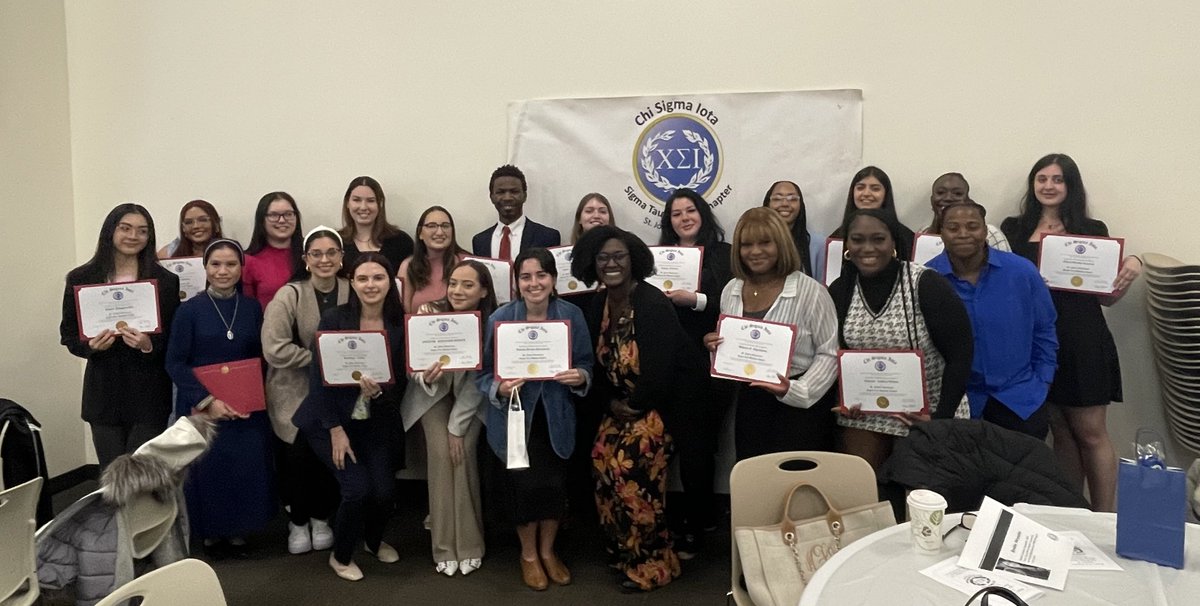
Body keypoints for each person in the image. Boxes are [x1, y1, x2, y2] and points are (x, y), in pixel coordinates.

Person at [1000, 154, 1143, 511]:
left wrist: (1132, 267)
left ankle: (1105, 517)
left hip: (1082, 339)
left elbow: (1107, 299)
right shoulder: (1012, 229)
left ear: (1071, 186)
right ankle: (1071, 513)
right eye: (1042, 178)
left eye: (1058, 179)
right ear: (1033, 185)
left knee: (1092, 435)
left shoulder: (1093, 231)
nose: (1049, 186)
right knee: (1060, 432)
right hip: (1034, 343)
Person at [572, 226, 702, 592]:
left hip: (660, 408)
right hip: (620, 406)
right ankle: (624, 553)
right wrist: (612, 403)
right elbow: (598, 367)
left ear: (634, 260)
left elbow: (661, 372)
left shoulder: (652, 304)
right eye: (603, 258)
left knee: (630, 474)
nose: (611, 263)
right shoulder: (599, 303)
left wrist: (635, 405)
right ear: (592, 263)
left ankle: (654, 566)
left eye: (619, 256)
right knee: (600, 461)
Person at [476, 247, 592, 592]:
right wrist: (500, 386)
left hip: (555, 417)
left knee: (554, 487)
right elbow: (482, 373)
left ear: (554, 279)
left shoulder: (571, 315)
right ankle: (528, 555)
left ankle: (548, 551)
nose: (534, 283)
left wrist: (581, 377)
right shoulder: (500, 318)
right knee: (524, 490)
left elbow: (586, 363)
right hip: (515, 419)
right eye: (525, 276)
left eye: (541, 275)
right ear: (517, 282)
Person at [291, 252, 409, 581]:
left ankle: (372, 541)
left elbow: (402, 381)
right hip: (328, 420)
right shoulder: (333, 319)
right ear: (352, 283)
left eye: (378, 278)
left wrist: (380, 394)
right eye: (363, 278)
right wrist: (335, 429)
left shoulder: (402, 324)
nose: (371, 285)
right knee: (357, 490)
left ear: (390, 282)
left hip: (377, 421)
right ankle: (341, 556)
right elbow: (317, 379)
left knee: (385, 493)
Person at [829, 209, 973, 471]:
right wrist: (847, 398)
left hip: (931, 410)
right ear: (847, 244)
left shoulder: (926, 283)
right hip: (866, 413)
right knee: (859, 485)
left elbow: (961, 354)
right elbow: (839, 355)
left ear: (893, 242)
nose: (867, 248)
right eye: (858, 239)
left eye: (878, 239)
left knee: (920, 496)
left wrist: (939, 419)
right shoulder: (841, 289)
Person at [165, 239, 274, 556]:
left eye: (231, 264)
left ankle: (239, 532)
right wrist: (206, 400)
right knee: (209, 470)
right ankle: (211, 535)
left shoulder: (253, 308)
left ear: (241, 269)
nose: (223, 271)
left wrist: (251, 395)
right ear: (205, 268)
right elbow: (174, 362)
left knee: (244, 467)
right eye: (216, 264)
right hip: (202, 407)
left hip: (245, 407)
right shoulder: (188, 311)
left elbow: (260, 357)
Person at [704, 208, 840, 460]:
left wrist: (797, 390)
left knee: (797, 483)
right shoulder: (731, 289)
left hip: (799, 409)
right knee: (754, 480)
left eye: (765, 242)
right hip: (750, 404)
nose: (755, 251)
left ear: (781, 244)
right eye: (746, 244)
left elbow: (829, 352)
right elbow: (733, 348)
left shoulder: (811, 291)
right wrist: (716, 345)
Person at [59, 204, 181, 470]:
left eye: (142, 231)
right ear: (110, 231)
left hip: (149, 392)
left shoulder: (165, 280)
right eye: (125, 228)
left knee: (141, 475)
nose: (133, 236)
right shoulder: (81, 278)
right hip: (103, 392)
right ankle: (114, 515)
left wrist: (149, 345)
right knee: (112, 475)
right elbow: (68, 335)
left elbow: (174, 336)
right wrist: (90, 346)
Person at [927, 202, 1059, 439]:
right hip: (958, 404)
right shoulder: (927, 279)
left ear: (985, 230)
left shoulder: (1022, 272)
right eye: (953, 228)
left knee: (1023, 476)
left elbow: (1045, 329)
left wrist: (1043, 381)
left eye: (972, 226)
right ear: (941, 233)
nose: (963, 234)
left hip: (1021, 400)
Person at [402, 260, 498, 577]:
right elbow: (412, 366)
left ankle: (470, 545)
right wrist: (425, 378)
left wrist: (457, 428)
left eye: (467, 285)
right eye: (453, 283)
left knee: (463, 453)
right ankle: (444, 547)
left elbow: (477, 383)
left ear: (484, 290)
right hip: (431, 396)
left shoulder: (491, 322)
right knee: (442, 457)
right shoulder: (428, 312)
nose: (457, 290)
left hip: (471, 399)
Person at [261, 226, 348, 555]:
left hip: (339, 391)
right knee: (296, 457)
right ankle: (297, 521)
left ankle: (321, 517)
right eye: (317, 254)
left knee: (328, 456)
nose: (324, 259)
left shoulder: (353, 290)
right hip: (292, 387)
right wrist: (320, 360)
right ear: (306, 259)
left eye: (331, 253)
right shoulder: (289, 295)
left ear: (341, 257)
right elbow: (273, 348)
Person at [657, 188, 732, 556]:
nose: (684, 218)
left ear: (703, 213)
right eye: (675, 213)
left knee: (699, 451)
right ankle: (669, 521)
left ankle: (698, 525)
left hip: (709, 366)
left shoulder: (723, 254)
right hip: (670, 365)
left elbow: (734, 302)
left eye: (690, 210)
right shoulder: (658, 258)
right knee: (672, 447)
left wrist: (696, 300)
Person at [471, 165, 561, 259]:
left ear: (525, 195)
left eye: (514, 192)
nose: (507, 198)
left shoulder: (548, 237)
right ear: (491, 197)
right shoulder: (480, 241)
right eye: (501, 192)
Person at [830, 166, 915, 266]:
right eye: (860, 188)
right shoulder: (836, 238)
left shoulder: (906, 238)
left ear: (886, 194)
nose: (866, 193)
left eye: (875, 189)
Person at [338, 176, 415, 272]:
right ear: (347, 203)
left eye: (370, 201)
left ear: (380, 204)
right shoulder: (336, 242)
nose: (363, 207)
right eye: (356, 200)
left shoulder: (401, 242)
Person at [397, 206, 466, 312]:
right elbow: (404, 312)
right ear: (420, 233)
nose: (439, 232)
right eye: (431, 226)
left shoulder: (465, 263)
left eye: (445, 226)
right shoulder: (408, 266)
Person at [243, 191, 304, 309]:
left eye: (288, 214)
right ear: (262, 220)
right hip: (267, 326)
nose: (282, 220)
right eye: (273, 215)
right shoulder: (248, 261)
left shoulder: (312, 255)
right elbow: (248, 310)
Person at [919, 173, 1010, 251]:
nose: (948, 198)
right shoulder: (922, 234)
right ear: (931, 200)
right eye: (940, 192)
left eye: (957, 193)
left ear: (967, 200)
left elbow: (1007, 267)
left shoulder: (990, 234)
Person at [762, 180, 821, 276]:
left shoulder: (817, 244)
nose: (785, 204)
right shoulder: (755, 242)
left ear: (801, 205)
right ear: (767, 204)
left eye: (792, 199)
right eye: (777, 199)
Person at [157, 199, 224, 259]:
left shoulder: (231, 251)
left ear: (216, 224)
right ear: (183, 228)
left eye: (203, 220)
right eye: (188, 222)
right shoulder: (168, 253)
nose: (196, 226)